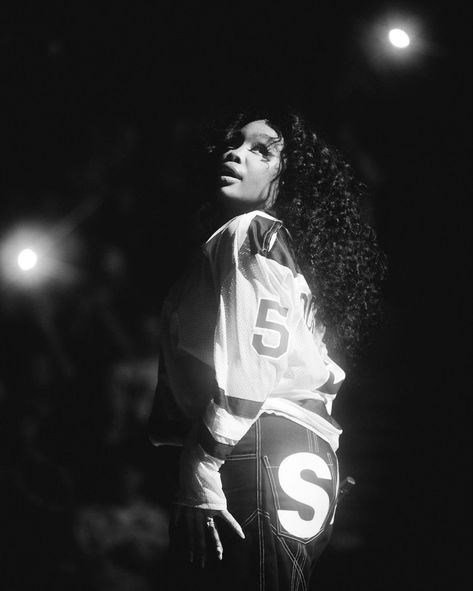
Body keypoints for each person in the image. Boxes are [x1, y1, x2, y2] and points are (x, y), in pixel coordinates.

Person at [149, 109, 386, 590]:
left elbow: (253, 365)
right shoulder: (284, 253)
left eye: (262, 149)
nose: (235, 151)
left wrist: (201, 463)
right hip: (296, 453)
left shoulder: (248, 231)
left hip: (253, 444)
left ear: (288, 179)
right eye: (234, 142)